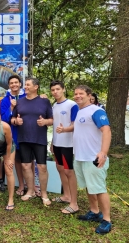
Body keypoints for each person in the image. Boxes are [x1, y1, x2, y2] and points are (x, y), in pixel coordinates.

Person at [73, 85, 112, 234]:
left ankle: (107, 219)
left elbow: (106, 130)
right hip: (80, 157)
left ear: (89, 95)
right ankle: (94, 211)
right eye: (75, 94)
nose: (77, 96)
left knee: (99, 188)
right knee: (89, 187)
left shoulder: (96, 111)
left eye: (81, 93)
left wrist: (103, 152)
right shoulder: (79, 111)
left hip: (93, 158)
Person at [11, 77, 53, 206]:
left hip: (39, 139)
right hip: (23, 139)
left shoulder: (44, 101)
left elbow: (51, 120)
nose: (26, 87)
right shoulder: (20, 102)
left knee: (42, 166)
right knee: (25, 165)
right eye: (26, 85)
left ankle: (44, 193)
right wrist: (16, 121)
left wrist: (45, 122)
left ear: (36, 87)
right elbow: (12, 119)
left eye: (28, 85)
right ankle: (30, 191)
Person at [50, 81, 79, 214]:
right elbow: (55, 125)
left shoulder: (72, 105)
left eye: (57, 89)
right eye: (53, 90)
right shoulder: (54, 105)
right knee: (60, 169)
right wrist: (52, 142)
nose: (55, 92)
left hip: (68, 144)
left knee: (69, 172)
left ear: (63, 89)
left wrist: (65, 129)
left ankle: (74, 203)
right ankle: (66, 196)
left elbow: (75, 125)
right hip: (56, 143)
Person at [0, 75, 27, 196]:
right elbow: (4, 118)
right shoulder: (5, 100)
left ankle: (32, 187)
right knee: (17, 160)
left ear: (20, 84)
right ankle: (21, 185)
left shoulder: (27, 97)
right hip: (13, 134)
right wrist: (11, 106)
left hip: (27, 133)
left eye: (16, 82)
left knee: (29, 161)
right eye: (11, 83)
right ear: (9, 85)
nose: (14, 85)